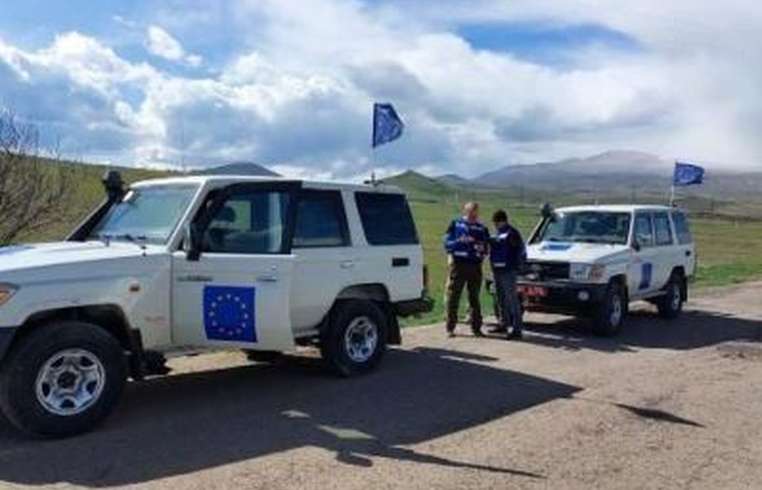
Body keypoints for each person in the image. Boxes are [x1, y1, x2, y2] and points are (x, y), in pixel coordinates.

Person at [443, 202, 490, 337]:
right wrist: (459, 242)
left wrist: (480, 248)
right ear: (465, 211)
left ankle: (476, 328)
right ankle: (450, 328)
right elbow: (447, 242)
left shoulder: (482, 228)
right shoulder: (456, 224)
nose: (473, 215)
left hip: (475, 266)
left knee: (474, 297)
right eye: (470, 212)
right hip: (458, 265)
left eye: (475, 212)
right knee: (453, 296)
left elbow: (486, 247)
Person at [489, 209, 526, 339]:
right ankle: (503, 323)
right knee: (500, 298)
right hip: (497, 270)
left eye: (496, 223)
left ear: (502, 221)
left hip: (509, 271)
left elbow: (519, 251)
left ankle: (517, 329)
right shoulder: (498, 233)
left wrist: (517, 267)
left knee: (512, 299)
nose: (495, 225)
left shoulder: (513, 233)